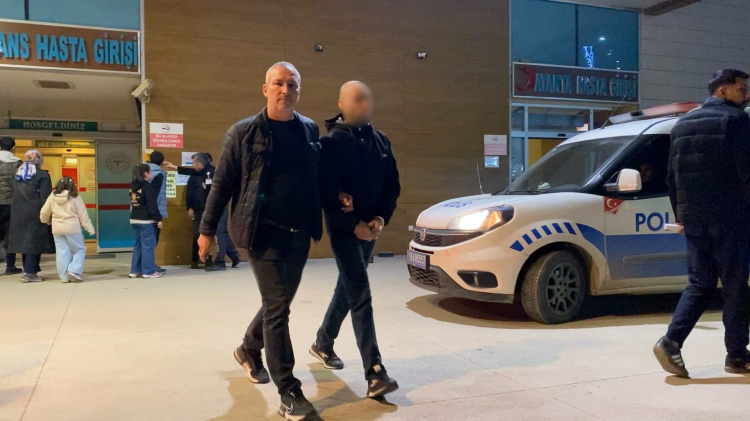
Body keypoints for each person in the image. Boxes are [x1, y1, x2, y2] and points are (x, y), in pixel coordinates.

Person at [197, 62, 323, 420]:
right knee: (278, 308)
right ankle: (289, 392)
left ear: (299, 90)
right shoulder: (243, 132)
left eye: (292, 85)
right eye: (278, 84)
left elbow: (316, 177)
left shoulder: (309, 129)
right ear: (265, 89)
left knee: (276, 303)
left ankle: (248, 349)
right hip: (261, 233)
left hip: (299, 233)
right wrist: (207, 231)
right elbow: (222, 185)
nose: (286, 90)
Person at [654, 69, 750, 377]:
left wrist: (680, 215)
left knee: (700, 283)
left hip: (694, 218)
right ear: (722, 91)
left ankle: (671, 341)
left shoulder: (682, 124)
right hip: (731, 217)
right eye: (742, 88)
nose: (747, 94)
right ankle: (737, 356)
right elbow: (746, 173)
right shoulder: (737, 121)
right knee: (735, 285)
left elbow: (672, 177)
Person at [310, 81, 401, 398]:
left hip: (370, 229)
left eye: (368, 99)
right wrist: (353, 224)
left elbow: (392, 186)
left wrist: (380, 219)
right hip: (344, 229)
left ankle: (323, 341)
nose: (365, 104)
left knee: (347, 288)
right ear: (342, 104)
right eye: (358, 99)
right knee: (360, 291)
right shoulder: (332, 143)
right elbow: (327, 192)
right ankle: (375, 372)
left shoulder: (381, 141)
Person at [8, 150, 54, 283]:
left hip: (17, 212)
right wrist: (49, 214)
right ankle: (30, 273)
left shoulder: (18, 174)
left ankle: (27, 270)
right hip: (35, 212)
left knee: (24, 242)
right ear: (39, 160)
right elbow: (45, 198)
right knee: (34, 241)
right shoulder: (42, 175)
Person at [40, 177, 96, 283]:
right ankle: (74, 270)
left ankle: (64, 277)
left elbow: (44, 212)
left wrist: (45, 221)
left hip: (57, 229)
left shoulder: (52, 196)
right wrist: (90, 229)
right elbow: (83, 216)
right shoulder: (76, 197)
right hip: (72, 228)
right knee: (79, 249)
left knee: (62, 252)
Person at [165, 153, 214, 269]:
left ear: (200, 164)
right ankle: (194, 259)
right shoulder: (194, 175)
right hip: (197, 210)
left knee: (209, 236)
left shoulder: (214, 173)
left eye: (193, 163)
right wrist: (189, 207)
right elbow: (189, 193)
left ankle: (208, 259)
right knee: (197, 234)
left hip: (211, 210)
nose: (193, 166)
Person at [129, 164, 163, 279]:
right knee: (148, 245)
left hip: (134, 218)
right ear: (145, 174)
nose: (151, 174)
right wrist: (158, 218)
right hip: (146, 220)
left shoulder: (133, 187)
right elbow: (152, 206)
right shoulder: (147, 187)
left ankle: (135, 270)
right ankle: (149, 271)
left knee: (138, 245)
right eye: (150, 172)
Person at [0, 137, 21, 275]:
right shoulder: (18, 163)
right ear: (13, 148)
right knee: (10, 235)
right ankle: (10, 266)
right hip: (10, 204)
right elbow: (19, 185)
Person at [148, 151, 168, 274]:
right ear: (162, 161)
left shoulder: (142, 172)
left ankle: (143, 265)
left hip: (140, 212)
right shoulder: (159, 174)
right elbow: (155, 197)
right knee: (153, 240)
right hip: (154, 211)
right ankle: (150, 266)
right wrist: (157, 216)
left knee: (144, 242)